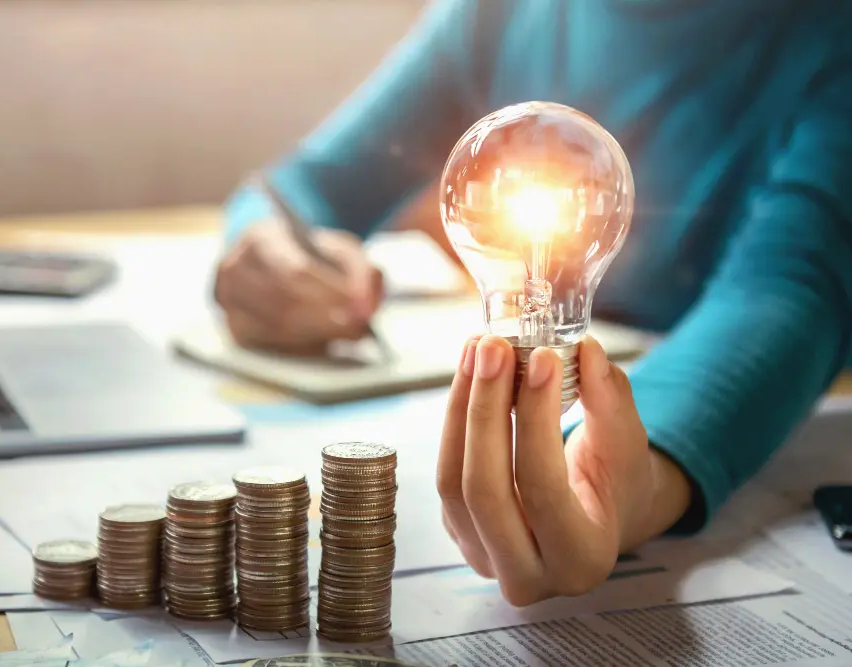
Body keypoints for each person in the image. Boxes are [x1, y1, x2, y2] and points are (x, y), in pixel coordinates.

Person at [214, 0, 852, 605]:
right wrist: (266, 247)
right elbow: (306, 184)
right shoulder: (503, 13)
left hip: (680, 398)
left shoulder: (826, 37)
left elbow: (792, 287)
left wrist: (637, 475)